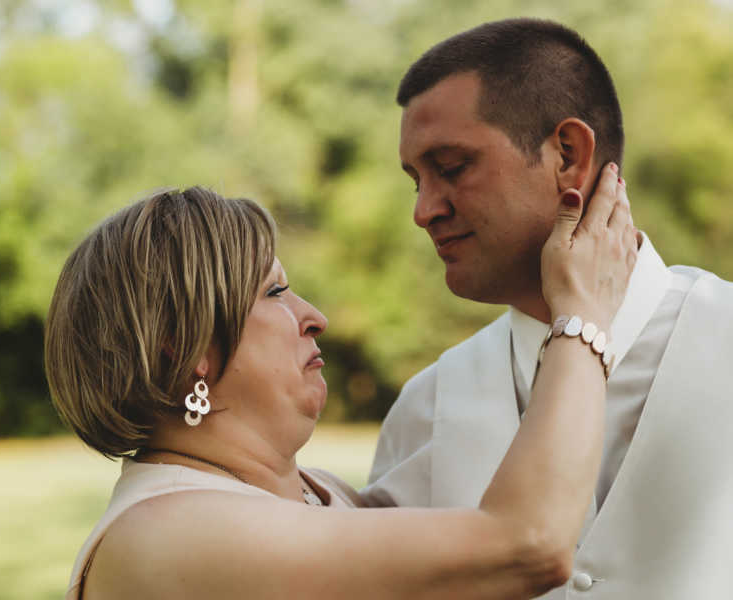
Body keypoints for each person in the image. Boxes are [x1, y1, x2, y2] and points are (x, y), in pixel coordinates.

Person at [45, 179, 636, 599]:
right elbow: (525, 545)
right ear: (188, 346)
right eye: (274, 294)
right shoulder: (165, 537)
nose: (313, 315)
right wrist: (583, 315)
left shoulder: (309, 495)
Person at [364, 17, 733, 600]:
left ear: (568, 154)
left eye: (453, 168)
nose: (424, 211)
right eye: (416, 181)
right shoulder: (424, 410)